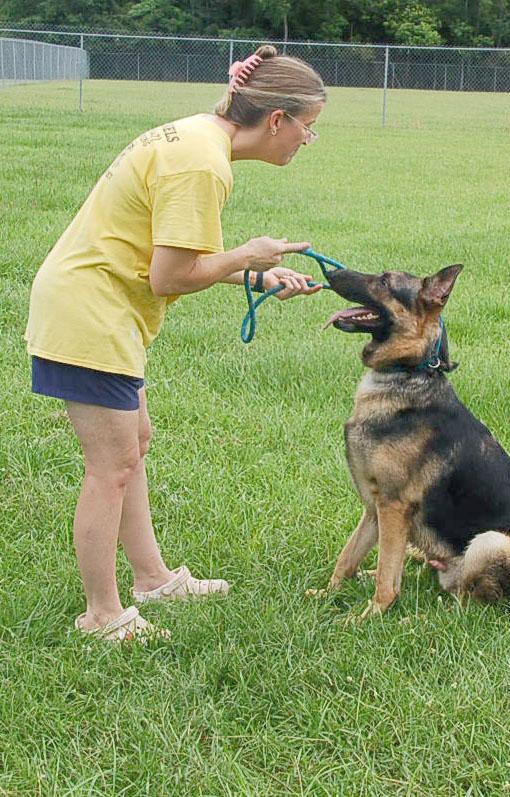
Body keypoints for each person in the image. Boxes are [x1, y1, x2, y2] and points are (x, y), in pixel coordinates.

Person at [24, 45, 327, 642]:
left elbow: (176, 261)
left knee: (134, 443)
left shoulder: (198, 136)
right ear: (276, 120)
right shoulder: (202, 165)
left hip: (102, 307)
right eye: (307, 129)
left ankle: (153, 578)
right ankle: (102, 615)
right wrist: (246, 254)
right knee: (109, 468)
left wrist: (257, 276)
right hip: (90, 313)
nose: (306, 142)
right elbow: (171, 278)